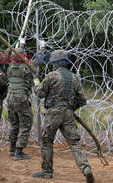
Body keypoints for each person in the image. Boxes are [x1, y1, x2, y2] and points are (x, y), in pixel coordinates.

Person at [32, 49, 94, 183]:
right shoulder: (74, 78)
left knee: (47, 141)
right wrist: (71, 107)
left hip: (53, 114)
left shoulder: (52, 75)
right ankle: (86, 169)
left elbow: (40, 93)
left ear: (55, 62)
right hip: (68, 114)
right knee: (75, 144)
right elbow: (82, 100)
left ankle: (47, 172)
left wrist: (36, 81)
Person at [6, 47, 34, 160]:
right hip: (21, 98)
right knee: (25, 123)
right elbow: (33, 79)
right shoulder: (26, 69)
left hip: (10, 97)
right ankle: (19, 151)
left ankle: (12, 148)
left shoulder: (9, 68)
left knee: (14, 123)